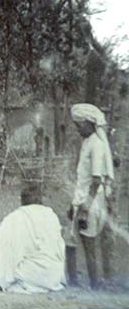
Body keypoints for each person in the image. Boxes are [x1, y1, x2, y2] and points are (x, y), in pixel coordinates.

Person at [68, 103, 115, 289]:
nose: (77, 128)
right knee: (69, 242)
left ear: (88, 123)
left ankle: (94, 286)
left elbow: (96, 180)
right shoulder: (86, 142)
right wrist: (73, 205)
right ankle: (73, 283)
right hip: (79, 199)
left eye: (79, 124)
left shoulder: (97, 144)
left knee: (88, 246)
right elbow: (83, 178)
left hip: (91, 202)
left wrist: (85, 208)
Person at [0, 184, 66, 293]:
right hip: (54, 274)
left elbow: (6, 248)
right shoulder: (51, 215)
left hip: (32, 273)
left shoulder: (15, 217)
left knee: (11, 272)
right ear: (40, 200)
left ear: (22, 201)